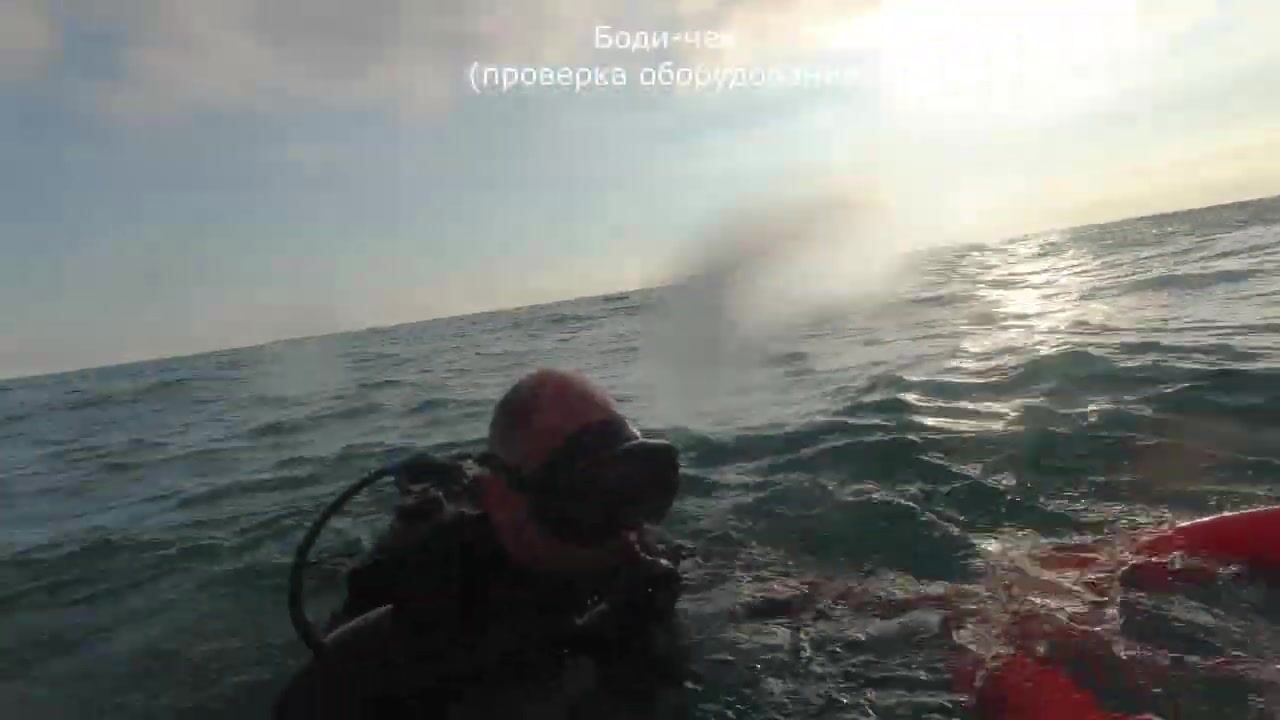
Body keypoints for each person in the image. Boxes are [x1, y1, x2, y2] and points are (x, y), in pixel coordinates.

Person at [274, 369, 691, 719]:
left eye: (635, 487)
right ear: (501, 500)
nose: (624, 529)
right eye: (583, 497)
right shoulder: (415, 619)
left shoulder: (643, 552)